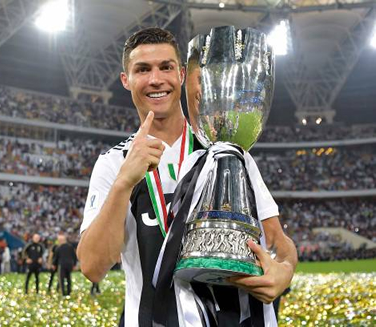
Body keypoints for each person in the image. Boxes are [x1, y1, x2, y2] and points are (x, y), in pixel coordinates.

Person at [77, 27, 297, 326]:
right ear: (126, 80)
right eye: (143, 69)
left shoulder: (227, 150)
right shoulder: (113, 163)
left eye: (165, 67)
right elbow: (92, 267)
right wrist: (124, 183)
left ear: (181, 74)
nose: (156, 79)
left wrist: (284, 272)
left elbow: (279, 243)